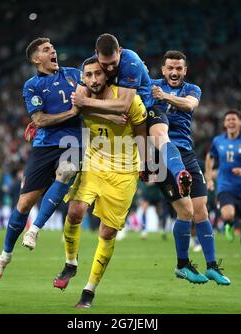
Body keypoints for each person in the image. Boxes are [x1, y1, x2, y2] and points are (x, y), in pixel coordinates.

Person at [53, 57, 147, 308]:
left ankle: (89, 291)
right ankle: (70, 263)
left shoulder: (130, 100)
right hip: (94, 163)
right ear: (83, 78)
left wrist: (146, 162)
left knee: (107, 231)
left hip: (124, 171)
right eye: (88, 75)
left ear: (106, 75)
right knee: (75, 211)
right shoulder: (80, 95)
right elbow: (71, 109)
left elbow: (140, 130)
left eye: (97, 74)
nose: (93, 79)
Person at [0, 37, 84, 282]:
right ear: (35, 59)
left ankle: (36, 229)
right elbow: (40, 120)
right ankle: (5, 255)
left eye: (52, 48)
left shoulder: (75, 74)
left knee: (67, 171)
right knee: (23, 205)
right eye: (46, 49)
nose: (53, 51)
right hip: (44, 146)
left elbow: (98, 85)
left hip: (73, 141)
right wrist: (72, 112)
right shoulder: (32, 85)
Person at [71, 33, 192, 197]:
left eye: (114, 63)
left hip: (145, 108)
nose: (111, 68)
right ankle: (145, 165)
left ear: (120, 51)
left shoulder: (131, 62)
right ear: (96, 54)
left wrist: (86, 102)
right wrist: (106, 115)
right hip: (116, 119)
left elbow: (123, 105)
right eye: (105, 64)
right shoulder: (90, 66)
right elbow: (77, 102)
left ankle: (180, 173)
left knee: (161, 136)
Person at [151, 50, 230, 285]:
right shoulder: (150, 86)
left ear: (185, 70)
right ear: (163, 69)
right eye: (170, 68)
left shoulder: (191, 89)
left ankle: (212, 266)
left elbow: (189, 105)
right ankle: (182, 264)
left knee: (201, 211)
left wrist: (164, 96)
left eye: (179, 68)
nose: (174, 72)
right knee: (185, 211)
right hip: (161, 154)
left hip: (187, 153)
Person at [205, 109, 241, 272]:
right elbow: (210, 157)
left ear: (239, 123)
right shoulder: (218, 141)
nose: (231, 121)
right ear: (224, 123)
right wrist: (209, 178)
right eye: (228, 119)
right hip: (225, 186)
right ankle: (228, 223)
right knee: (227, 213)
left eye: (234, 119)